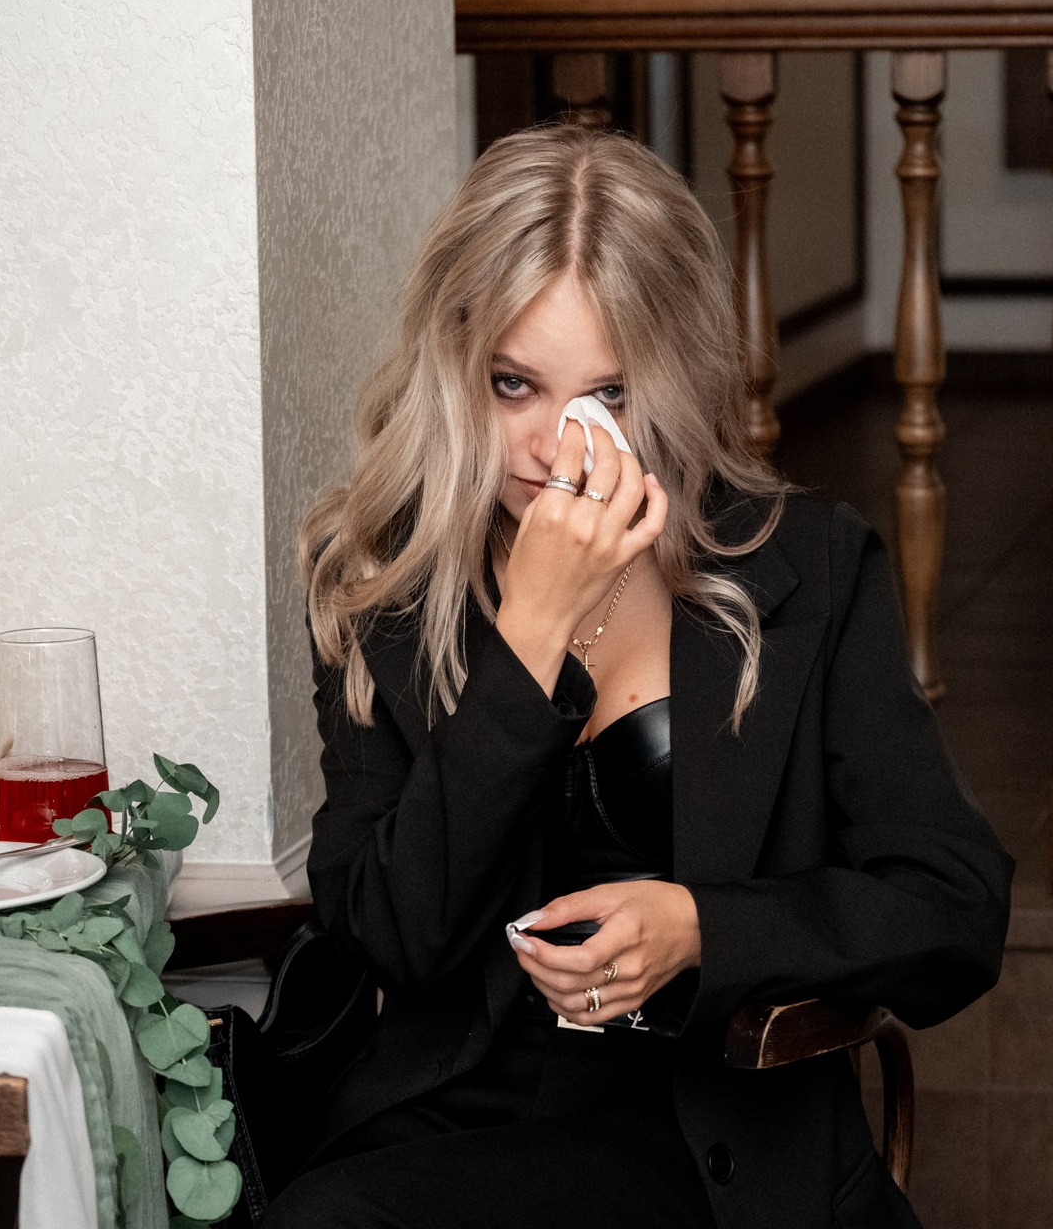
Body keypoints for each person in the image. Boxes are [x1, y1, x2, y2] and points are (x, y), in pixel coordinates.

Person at [271, 123, 1012, 1229]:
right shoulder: (383, 582)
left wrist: (704, 925)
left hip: (700, 1137)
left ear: (668, 379)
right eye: (514, 384)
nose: (555, 446)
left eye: (607, 395)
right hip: (445, 1124)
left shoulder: (803, 570)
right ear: (456, 365)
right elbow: (391, 936)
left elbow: (956, 909)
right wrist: (531, 632)